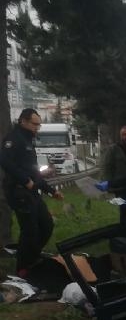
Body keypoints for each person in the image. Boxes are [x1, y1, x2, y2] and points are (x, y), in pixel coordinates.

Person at [0, 108, 63, 275]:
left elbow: (34, 172)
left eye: (39, 125)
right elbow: (5, 162)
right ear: (23, 121)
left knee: (46, 225)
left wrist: (51, 191)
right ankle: (23, 268)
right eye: (35, 124)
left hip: (32, 192)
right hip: (18, 192)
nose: (37, 128)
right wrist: (25, 180)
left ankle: (31, 256)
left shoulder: (28, 141)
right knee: (30, 230)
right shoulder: (13, 138)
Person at [101, 126, 126, 224]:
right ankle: (124, 229)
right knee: (124, 210)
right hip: (120, 187)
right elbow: (107, 167)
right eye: (124, 134)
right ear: (120, 136)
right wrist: (108, 184)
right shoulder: (113, 149)